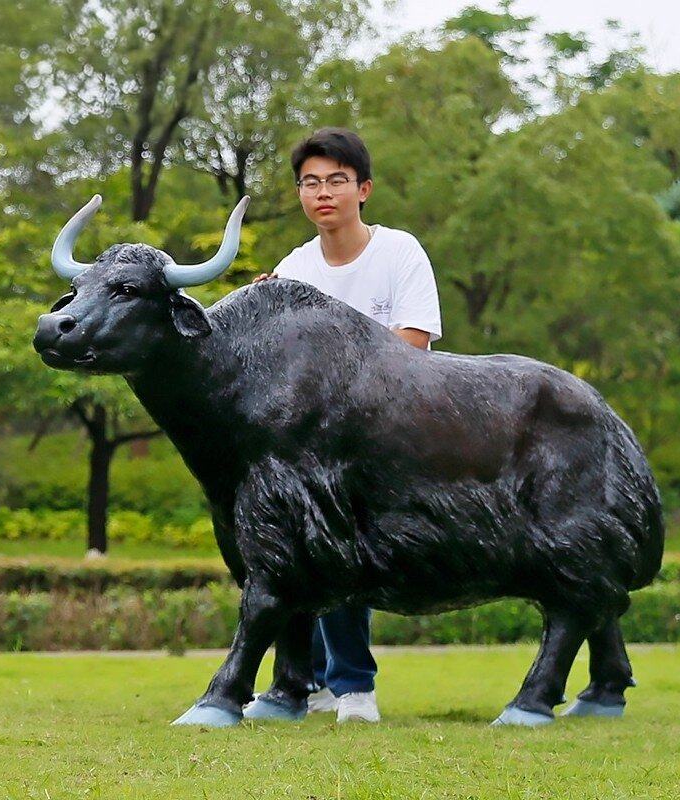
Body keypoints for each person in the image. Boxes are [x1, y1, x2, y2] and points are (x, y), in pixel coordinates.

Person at [253, 127, 442, 722]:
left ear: (364, 190)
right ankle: (308, 684)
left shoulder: (400, 252)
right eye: (311, 182)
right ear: (300, 196)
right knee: (298, 544)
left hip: (397, 433)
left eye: (337, 180)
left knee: (330, 538)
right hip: (317, 444)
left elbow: (412, 345)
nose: (323, 192)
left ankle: (353, 687)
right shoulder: (294, 268)